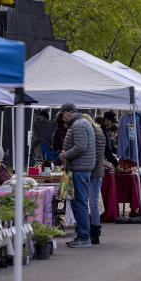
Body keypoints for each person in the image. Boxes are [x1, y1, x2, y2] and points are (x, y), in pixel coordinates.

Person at [60, 102, 95, 248]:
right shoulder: (81, 123)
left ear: (68, 112)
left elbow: (80, 147)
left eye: (63, 114)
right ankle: (82, 235)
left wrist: (65, 155)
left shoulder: (78, 125)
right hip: (81, 168)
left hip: (80, 169)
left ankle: (84, 237)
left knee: (80, 203)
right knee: (79, 203)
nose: (62, 117)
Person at [82, 114, 106, 245]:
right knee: (93, 202)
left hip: (92, 172)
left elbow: (95, 156)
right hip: (96, 171)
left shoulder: (94, 134)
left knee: (91, 202)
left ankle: (94, 231)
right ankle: (94, 230)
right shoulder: (99, 132)